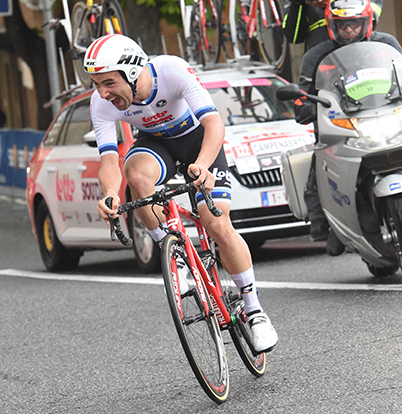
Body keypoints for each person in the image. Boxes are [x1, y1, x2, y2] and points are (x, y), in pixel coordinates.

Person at [84, 34, 278, 353]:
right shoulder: (101, 103)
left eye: (108, 82)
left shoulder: (171, 71)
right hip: (156, 144)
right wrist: (108, 193)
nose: (102, 92)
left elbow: (214, 125)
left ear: (132, 72)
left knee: (217, 225)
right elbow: (108, 159)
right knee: (135, 175)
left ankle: (254, 310)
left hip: (198, 141)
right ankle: (173, 254)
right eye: (96, 84)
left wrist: (202, 166)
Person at [292, 0, 402, 256]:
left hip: (384, 114)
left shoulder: (386, 43)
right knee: (322, 150)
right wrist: (303, 105)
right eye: (343, 25)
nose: (349, 30)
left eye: (354, 24)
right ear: (331, 25)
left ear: (367, 22)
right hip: (342, 123)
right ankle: (325, 220)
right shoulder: (315, 55)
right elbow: (302, 94)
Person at [282, 0, 383, 52]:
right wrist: (297, 3)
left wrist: (338, 1)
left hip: (357, 50)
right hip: (321, 59)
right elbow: (294, 37)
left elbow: (371, 19)